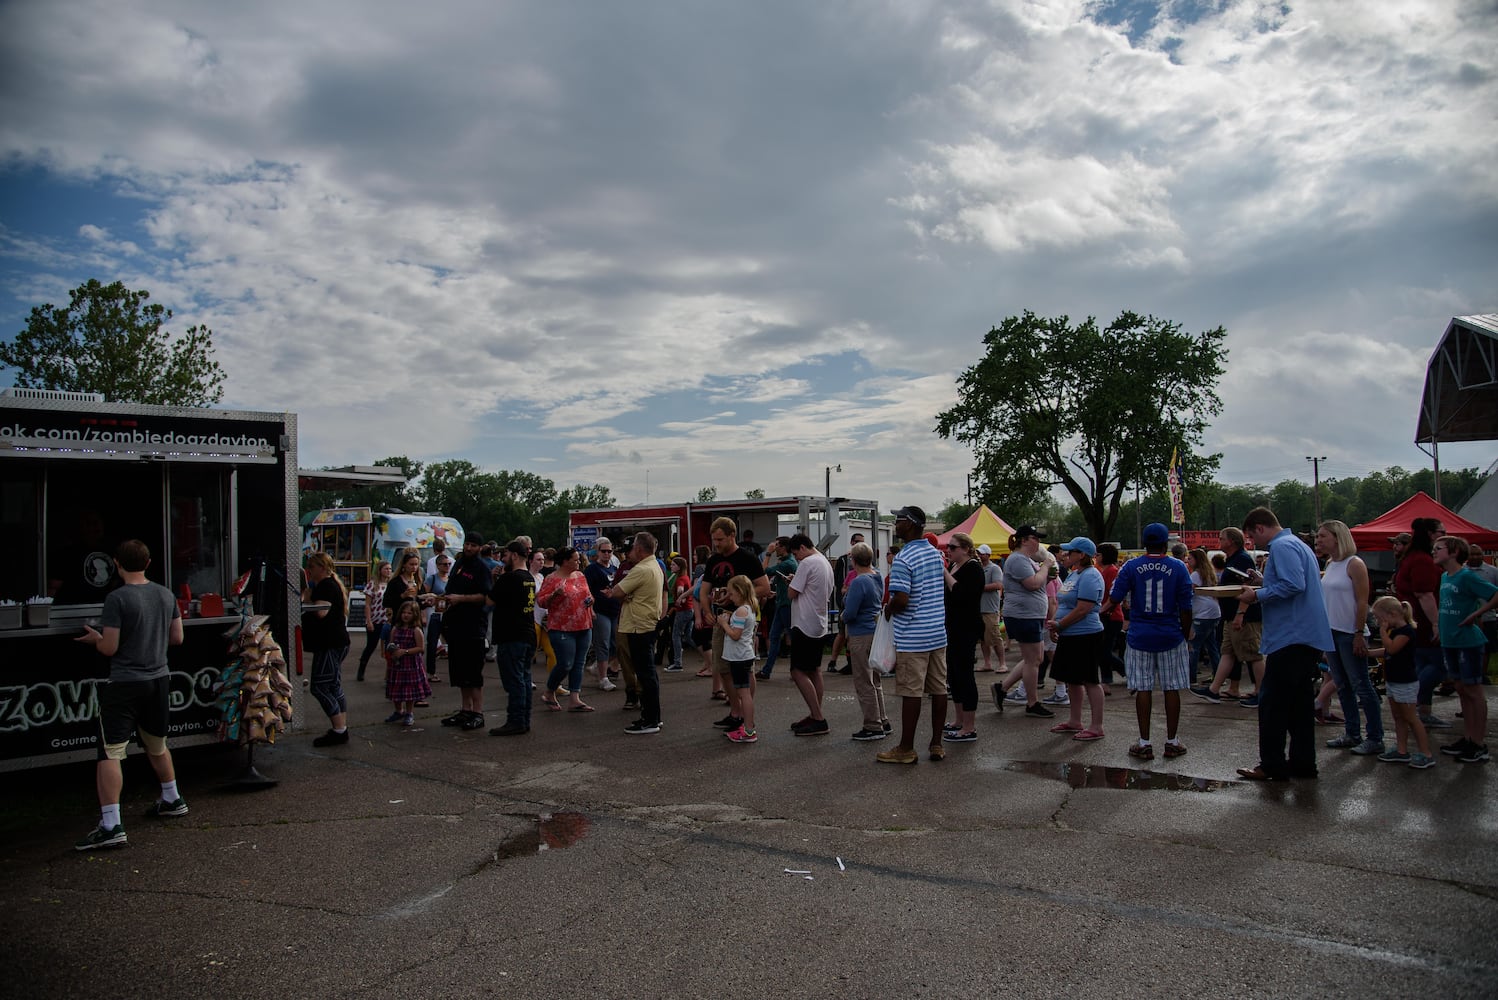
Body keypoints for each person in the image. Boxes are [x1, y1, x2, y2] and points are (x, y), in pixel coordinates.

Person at [73, 539, 187, 850]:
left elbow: (109, 648)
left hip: (125, 683)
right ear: (148, 563)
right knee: (157, 744)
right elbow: (177, 638)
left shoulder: (116, 598)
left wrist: (95, 639)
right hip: (159, 680)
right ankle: (172, 797)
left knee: (110, 752)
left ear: (116, 564)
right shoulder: (165, 594)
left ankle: (110, 825)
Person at [1233, 507, 1333, 781]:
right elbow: (1293, 583)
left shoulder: (1282, 547)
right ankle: (1302, 763)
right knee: (1299, 705)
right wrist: (1264, 582)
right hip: (1304, 634)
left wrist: (1258, 594)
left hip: (1291, 635)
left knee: (1273, 704)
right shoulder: (1296, 545)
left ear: (1260, 528)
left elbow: (1293, 585)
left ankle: (1272, 763)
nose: (1255, 543)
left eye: (1253, 536)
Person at [1099, 523, 1192, 762]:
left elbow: (1115, 599)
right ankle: (1172, 741)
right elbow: (1186, 607)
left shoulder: (1131, 566)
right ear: (1165, 544)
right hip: (1171, 634)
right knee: (1171, 687)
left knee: (1143, 688)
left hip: (1140, 635)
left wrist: (1099, 615)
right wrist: (1186, 633)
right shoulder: (1179, 567)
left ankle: (1144, 742)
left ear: (1144, 543)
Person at [875, 506, 949, 764]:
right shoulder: (936, 554)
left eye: (900, 520)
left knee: (911, 692)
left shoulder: (904, 559)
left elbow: (902, 599)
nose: (895, 524)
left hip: (913, 636)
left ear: (913, 524)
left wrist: (888, 609)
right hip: (937, 632)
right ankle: (937, 743)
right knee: (939, 689)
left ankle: (906, 748)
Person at [1314, 520, 1381, 757]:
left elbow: (1362, 601)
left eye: (1323, 536)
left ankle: (1375, 737)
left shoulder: (1355, 564)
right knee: (1341, 685)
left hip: (1349, 631)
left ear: (1337, 537)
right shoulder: (1332, 564)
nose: (1318, 540)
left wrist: (1358, 632)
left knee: (1361, 684)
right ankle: (1352, 732)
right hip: (1331, 631)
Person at [698, 518, 771, 726]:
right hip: (720, 620)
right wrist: (706, 612)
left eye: (720, 539)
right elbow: (703, 591)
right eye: (714, 540)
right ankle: (735, 711)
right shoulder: (713, 560)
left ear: (732, 536)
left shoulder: (747, 558)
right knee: (722, 667)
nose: (717, 544)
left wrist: (733, 596)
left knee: (744, 667)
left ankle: (744, 713)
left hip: (741, 619)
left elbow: (764, 587)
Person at [1432, 535, 1498, 763]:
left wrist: (1476, 614)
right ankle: (1468, 737)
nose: (1434, 552)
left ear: (1453, 552)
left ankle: (1479, 743)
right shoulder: (1444, 576)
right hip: (1449, 641)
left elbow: (1494, 594)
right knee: (1461, 689)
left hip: (1467, 642)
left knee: (1473, 691)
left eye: (1438, 548)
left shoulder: (1467, 576)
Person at [1190, 527, 1264, 705]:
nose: (1219, 542)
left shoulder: (1241, 559)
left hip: (1244, 616)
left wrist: (1240, 614)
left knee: (1253, 654)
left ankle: (1262, 692)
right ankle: (1216, 690)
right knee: (1228, 652)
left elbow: (1249, 587)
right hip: (1231, 615)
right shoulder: (1233, 559)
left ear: (1231, 541)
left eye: (1222, 539)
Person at [1046, 537, 1107, 742]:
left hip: (1085, 634)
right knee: (1072, 679)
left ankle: (1096, 725)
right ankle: (1075, 720)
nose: (1065, 555)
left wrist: (1061, 624)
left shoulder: (1090, 576)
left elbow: (1084, 608)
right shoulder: (1074, 575)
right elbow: (1063, 603)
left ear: (1082, 555)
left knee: (1090, 679)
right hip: (1070, 634)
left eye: (1070, 552)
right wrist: (1056, 624)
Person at [1365, 596, 1434, 768]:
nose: (1379, 622)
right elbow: (1388, 650)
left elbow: (1392, 648)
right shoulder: (1395, 632)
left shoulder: (1406, 632)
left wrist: (1382, 633)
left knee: (1411, 717)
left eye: (1380, 618)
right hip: (1394, 680)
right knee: (1398, 716)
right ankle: (1401, 750)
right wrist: (1370, 653)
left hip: (1405, 682)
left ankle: (1426, 752)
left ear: (1393, 614)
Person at [1394, 517, 1448, 730]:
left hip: (1416, 621)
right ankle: (1411, 700)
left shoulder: (1413, 557)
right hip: (1424, 622)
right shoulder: (1422, 560)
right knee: (1441, 665)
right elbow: (1424, 594)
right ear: (1430, 534)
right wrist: (1436, 623)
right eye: (1440, 533)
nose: (1444, 536)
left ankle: (1423, 712)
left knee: (1423, 664)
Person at [610, 532, 666, 735]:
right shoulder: (655, 566)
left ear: (640, 549)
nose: (629, 552)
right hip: (646, 624)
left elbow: (616, 591)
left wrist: (627, 595)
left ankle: (650, 719)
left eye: (632, 548)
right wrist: (630, 594)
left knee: (645, 673)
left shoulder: (641, 569)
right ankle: (653, 716)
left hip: (638, 626)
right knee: (648, 673)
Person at [994, 526, 1053, 718]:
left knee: (1035, 659)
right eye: (1035, 538)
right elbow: (1033, 583)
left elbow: (1038, 581)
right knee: (1033, 660)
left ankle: (1002, 688)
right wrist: (1046, 566)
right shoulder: (1018, 559)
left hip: (1030, 615)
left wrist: (1046, 572)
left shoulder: (1024, 559)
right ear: (1024, 540)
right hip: (1023, 615)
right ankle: (1032, 703)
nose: (1038, 543)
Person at [439, 534, 493, 731]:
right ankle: (465, 709)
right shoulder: (459, 563)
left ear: (479, 547)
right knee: (459, 670)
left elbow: (486, 596)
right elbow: (450, 589)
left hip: (473, 626)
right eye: (467, 544)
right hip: (455, 625)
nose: (468, 548)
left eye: (473, 545)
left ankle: (478, 713)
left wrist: (461, 599)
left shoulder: (482, 568)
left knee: (473, 671)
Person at [783, 533, 835, 735]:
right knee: (814, 669)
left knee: (797, 671)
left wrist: (792, 581)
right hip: (819, 622)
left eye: (796, 554)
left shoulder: (806, 563)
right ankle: (815, 713)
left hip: (804, 623)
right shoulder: (824, 561)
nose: (797, 558)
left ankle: (818, 717)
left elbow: (791, 593)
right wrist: (797, 580)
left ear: (802, 548)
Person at [302, 551, 353, 747]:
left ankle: (339, 729)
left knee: (320, 687)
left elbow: (320, 612)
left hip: (329, 643)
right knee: (333, 685)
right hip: (337, 641)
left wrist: (306, 600)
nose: (309, 570)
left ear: (321, 568)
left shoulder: (325, 587)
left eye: (312, 567)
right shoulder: (332, 585)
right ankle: (341, 726)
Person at [488, 541, 538, 737]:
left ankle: (515, 720)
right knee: (524, 679)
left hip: (511, 636)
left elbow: (490, 600)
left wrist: (495, 580)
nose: (502, 558)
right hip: (527, 634)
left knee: (514, 681)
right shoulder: (529, 578)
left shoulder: (508, 578)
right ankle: (523, 720)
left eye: (506, 555)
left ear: (515, 556)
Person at [537, 547, 596, 712]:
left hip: (584, 624)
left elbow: (588, 595)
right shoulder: (552, 579)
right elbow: (541, 601)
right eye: (575, 559)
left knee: (579, 663)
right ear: (564, 561)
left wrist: (591, 601)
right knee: (565, 663)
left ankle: (574, 698)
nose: (579, 562)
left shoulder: (580, 576)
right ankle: (549, 691)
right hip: (561, 627)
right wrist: (555, 595)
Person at [841, 541, 889, 741]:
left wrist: (843, 615)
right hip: (874, 631)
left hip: (860, 633)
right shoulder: (876, 576)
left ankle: (872, 725)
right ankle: (882, 719)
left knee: (863, 681)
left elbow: (850, 612)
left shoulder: (859, 581)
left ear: (853, 560)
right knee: (875, 680)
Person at [942, 532, 985, 742]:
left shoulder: (973, 569)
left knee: (965, 675)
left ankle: (969, 726)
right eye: (948, 547)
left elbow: (960, 593)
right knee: (954, 675)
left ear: (966, 549)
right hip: (952, 626)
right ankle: (958, 720)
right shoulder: (954, 567)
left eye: (953, 547)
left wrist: (944, 572)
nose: (948, 550)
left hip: (966, 628)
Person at [717, 575, 761, 743]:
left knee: (744, 694)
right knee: (743, 693)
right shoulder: (747, 608)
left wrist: (724, 623)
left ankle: (749, 730)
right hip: (742, 655)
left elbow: (735, 635)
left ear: (740, 592)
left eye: (732, 593)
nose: (730, 597)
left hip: (740, 657)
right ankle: (747, 726)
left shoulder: (742, 610)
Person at [384, 598, 430, 729]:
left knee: (409, 691)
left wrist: (405, 651)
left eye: (409, 613)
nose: (406, 615)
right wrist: (391, 651)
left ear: (414, 615)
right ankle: (398, 711)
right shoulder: (395, 629)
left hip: (411, 664)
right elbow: (391, 643)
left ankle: (409, 712)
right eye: (404, 612)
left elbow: (421, 648)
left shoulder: (416, 630)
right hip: (397, 665)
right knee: (395, 689)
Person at [758, 537, 798, 679]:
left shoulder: (786, 564)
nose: (775, 548)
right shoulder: (789, 562)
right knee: (774, 636)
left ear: (784, 547)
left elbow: (763, 571)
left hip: (785, 606)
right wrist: (777, 593)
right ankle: (767, 670)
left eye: (777, 546)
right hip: (782, 603)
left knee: (789, 637)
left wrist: (768, 554)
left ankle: (797, 670)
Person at [585, 540, 622, 695]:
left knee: (616, 643)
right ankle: (603, 678)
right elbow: (586, 591)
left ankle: (597, 667)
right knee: (603, 643)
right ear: (598, 552)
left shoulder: (614, 569)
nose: (607, 554)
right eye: (604, 551)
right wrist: (591, 609)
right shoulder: (592, 569)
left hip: (614, 610)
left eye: (609, 551)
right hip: (600, 610)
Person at [1186, 548, 1221, 683]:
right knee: (1211, 646)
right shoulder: (1209, 573)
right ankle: (1218, 675)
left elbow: (1189, 592)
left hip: (1202, 613)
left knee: (1193, 645)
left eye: (1190, 559)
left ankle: (1190, 677)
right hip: (1213, 611)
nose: (1188, 561)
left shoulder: (1195, 575)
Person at [356, 560, 392, 682]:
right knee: (371, 645)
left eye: (390, 569)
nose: (388, 571)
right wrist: (369, 621)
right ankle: (361, 669)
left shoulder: (391, 584)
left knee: (390, 647)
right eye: (386, 569)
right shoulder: (372, 584)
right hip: (375, 619)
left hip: (388, 620)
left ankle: (389, 674)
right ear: (380, 570)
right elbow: (367, 604)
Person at [1467, 544, 1498, 678]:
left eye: (1478, 554)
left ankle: (1482, 674)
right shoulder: (1461, 571)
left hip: (1488, 616)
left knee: (1486, 647)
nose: (1475, 557)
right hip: (1467, 618)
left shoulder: (1492, 571)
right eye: (1472, 554)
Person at [424, 552, 452, 682]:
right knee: (432, 643)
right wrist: (431, 599)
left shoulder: (451, 579)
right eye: (444, 564)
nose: (447, 566)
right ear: (438, 566)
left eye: (449, 564)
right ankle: (431, 672)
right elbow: (423, 596)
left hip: (449, 615)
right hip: (435, 614)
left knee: (453, 642)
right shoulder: (432, 579)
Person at [977, 544, 1005, 672]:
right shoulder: (978, 568)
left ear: (988, 555)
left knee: (995, 637)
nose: (979, 555)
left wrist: (978, 587)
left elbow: (998, 585)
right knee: (983, 638)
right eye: (979, 553)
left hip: (990, 608)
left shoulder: (994, 568)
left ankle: (1002, 663)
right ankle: (987, 663)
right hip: (979, 608)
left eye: (982, 553)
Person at [667, 555, 694, 672]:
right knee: (688, 637)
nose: (671, 566)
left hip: (682, 611)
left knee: (676, 635)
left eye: (673, 564)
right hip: (690, 610)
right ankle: (707, 653)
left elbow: (680, 590)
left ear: (679, 567)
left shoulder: (680, 579)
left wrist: (680, 598)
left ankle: (677, 663)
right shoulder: (686, 577)